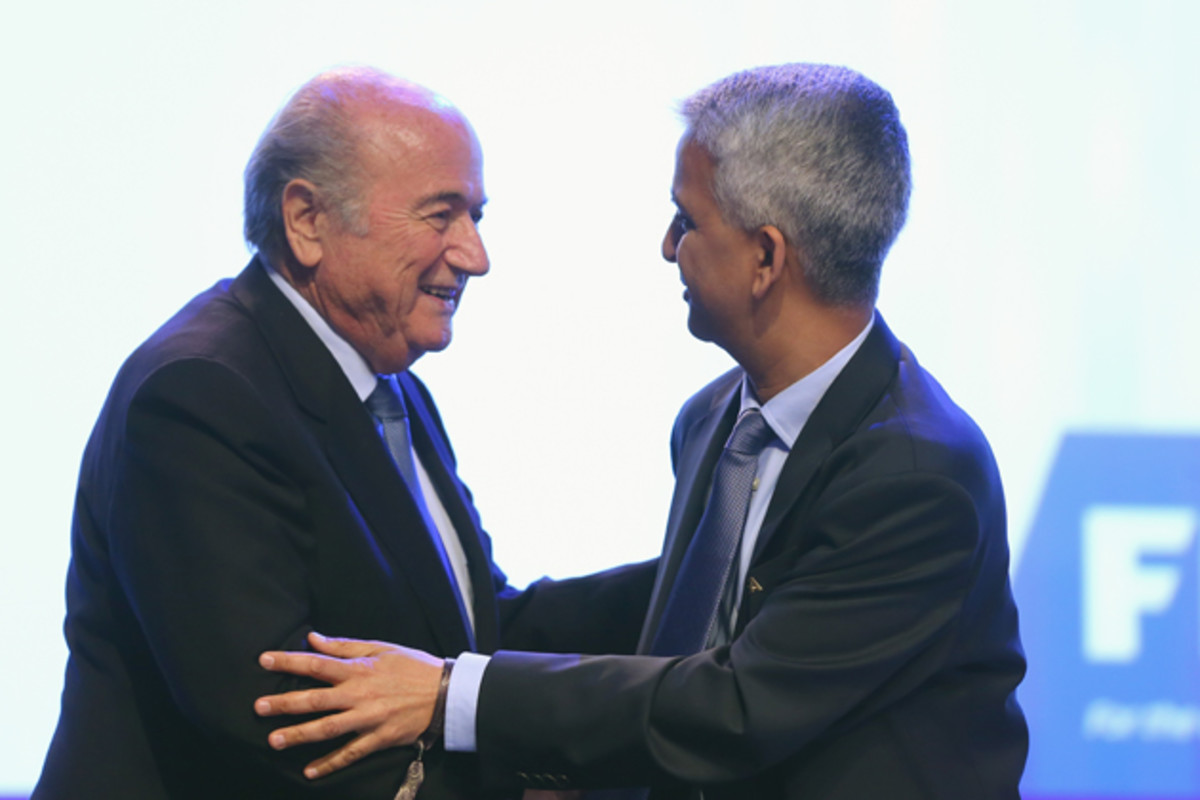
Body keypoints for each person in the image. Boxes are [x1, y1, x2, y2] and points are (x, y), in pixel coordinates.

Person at [254, 63, 1029, 799]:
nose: (666, 246)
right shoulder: (715, 420)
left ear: (765, 256)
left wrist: (456, 697)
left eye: (686, 221)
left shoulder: (917, 475)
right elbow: (689, 622)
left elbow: (737, 708)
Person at [34, 66, 651, 800]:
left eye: (476, 216)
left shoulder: (388, 386)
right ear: (307, 220)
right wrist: (525, 789)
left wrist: (707, 572)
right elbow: (279, 722)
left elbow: (472, 631)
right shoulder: (200, 394)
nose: (475, 255)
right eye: (440, 214)